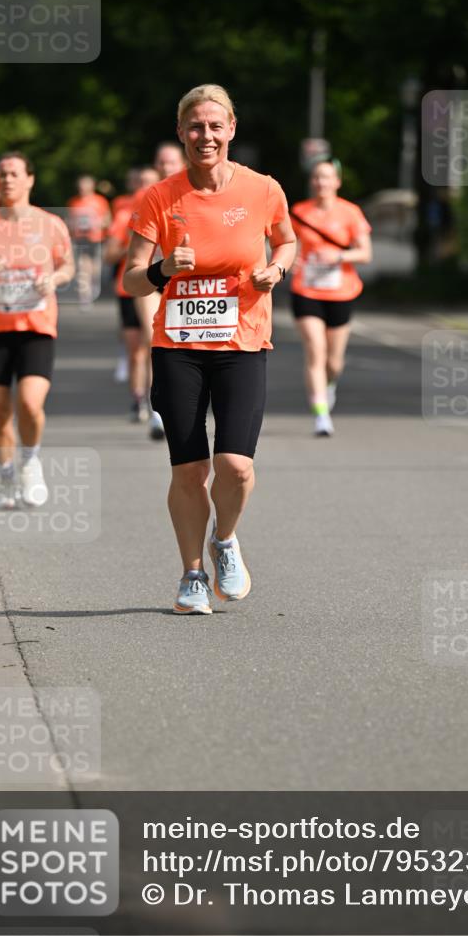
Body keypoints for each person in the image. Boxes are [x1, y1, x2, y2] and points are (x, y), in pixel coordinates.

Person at [124, 84, 296, 614]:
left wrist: (277, 267)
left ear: (231, 130)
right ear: (181, 133)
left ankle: (224, 541)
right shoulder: (159, 197)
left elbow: (286, 238)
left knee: (236, 465)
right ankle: (191, 575)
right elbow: (131, 280)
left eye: (215, 126)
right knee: (189, 470)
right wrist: (161, 270)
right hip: (178, 347)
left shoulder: (263, 189)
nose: (206, 136)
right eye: (195, 127)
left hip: (242, 341)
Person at [0, 152, 74, 507]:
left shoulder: (50, 224)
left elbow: (66, 266)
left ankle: (31, 460)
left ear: (29, 179)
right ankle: (6, 472)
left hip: (36, 327)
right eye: (2, 175)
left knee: (29, 402)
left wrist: (54, 279)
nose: (6, 180)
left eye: (13, 174)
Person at [290, 158, 372, 435]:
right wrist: (291, 262)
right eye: (316, 177)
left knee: (333, 363)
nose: (321, 182)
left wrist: (338, 255)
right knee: (316, 350)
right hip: (306, 290)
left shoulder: (351, 213)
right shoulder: (299, 212)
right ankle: (321, 415)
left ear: (337, 182)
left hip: (341, 292)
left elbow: (365, 253)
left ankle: (330, 384)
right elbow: (286, 245)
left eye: (326, 177)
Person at [133, 143, 187, 440]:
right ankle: (157, 413)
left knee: (181, 346)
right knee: (155, 340)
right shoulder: (149, 198)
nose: (166, 168)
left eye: (171, 162)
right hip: (153, 280)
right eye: (161, 163)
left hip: (187, 285)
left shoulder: (193, 195)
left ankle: (185, 400)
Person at [104, 166, 158, 422]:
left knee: (152, 343)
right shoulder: (124, 213)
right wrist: (132, 243)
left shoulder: (168, 210)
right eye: (141, 182)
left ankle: (153, 398)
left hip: (155, 286)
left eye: (150, 183)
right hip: (126, 288)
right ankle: (137, 398)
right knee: (136, 349)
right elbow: (109, 255)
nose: (144, 188)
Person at [66, 174, 110, 306]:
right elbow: (69, 221)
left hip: (96, 239)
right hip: (80, 239)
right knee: (82, 267)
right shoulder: (73, 202)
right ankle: (85, 296)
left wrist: (97, 224)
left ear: (92, 186)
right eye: (80, 185)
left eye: (85, 185)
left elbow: (108, 220)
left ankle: (93, 287)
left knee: (95, 268)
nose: (82, 188)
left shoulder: (100, 201)